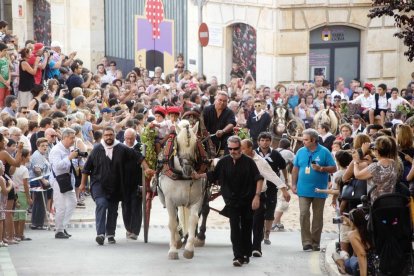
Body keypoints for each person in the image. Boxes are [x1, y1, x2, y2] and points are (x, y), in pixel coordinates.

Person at [192, 136, 264, 267]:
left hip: (247, 201)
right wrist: (199, 175)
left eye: (235, 149)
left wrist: (257, 196)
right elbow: (213, 175)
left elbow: (259, 179)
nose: (232, 151)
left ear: (240, 149)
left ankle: (246, 253)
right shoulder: (224, 162)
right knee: (235, 228)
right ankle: (238, 256)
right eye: (230, 149)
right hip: (231, 201)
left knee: (247, 228)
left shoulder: (249, 162)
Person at [80, 127, 142, 245]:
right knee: (102, 204)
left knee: (113, 210)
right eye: (106, 135)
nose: (109, 137)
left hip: (115, 185)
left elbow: (138, 156)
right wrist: (83, 184)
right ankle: (100, 234)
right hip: (98, 184)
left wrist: (147, 168)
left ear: (114, 136)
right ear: (103, 136)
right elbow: (86, 169)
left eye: (111, 135)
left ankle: (110, 234)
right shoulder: (97, 149)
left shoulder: (121, 148)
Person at [240, 139, 290, 258]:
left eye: (242, 148)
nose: (240, 151)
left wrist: (283, 189)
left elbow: (272, 175)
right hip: (243, 196)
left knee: (257, 222)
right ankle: (246, 247)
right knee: (245, 223)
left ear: (250, 148)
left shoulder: (260, 161)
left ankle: (256, 248)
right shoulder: (238, 159)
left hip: (259, 195)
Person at [291, 128, 337, 251]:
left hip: (319, 190)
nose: (303, 141)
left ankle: (315, 243)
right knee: (304, 214)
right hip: (303, 189)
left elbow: (334, 168)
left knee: (317, 217)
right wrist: (293, 184)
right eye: (303, 139)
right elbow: (295, 169)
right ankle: (306, 242)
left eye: (306, 139)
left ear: (314, 140)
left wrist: (322, 169)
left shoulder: (324, 152)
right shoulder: (300, 151)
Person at [255, 132, 288, 241]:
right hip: (257, 186)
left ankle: (267, 235)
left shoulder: (276, 154)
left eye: (267, 140)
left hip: (272, 186)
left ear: (271, 141)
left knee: (270, 210)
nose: (265, 142)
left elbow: (283, 167)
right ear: (258, 141)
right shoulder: (254, 153)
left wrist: (286, 180)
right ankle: (258, 233)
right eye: (262, 140)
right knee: (257, 210)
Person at [122, 128, 154, 240]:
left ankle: (135, 231)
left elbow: (144, 162)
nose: (129, 141)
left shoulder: (140, 147)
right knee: (126, 206)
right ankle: (128, 229)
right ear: (124, 138)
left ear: (135, 137)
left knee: (136, 206)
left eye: (131, 138)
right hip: (124, 182)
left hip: (138, 182)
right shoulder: (120, 147)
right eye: (127, 138)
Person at [49, 128, 78, 239]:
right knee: (60, 206)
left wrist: (75, 158)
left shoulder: (69, 149)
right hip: (58, 180)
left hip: (67, 180)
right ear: (64, 137)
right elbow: (57, 166)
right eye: (71, 138)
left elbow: (71, 164)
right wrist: (69, 157)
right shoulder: (56, 150)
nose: (73, 140)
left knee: (73, 202)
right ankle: (58, 230)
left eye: (74, 137)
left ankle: (62, 226)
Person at [353, 136, 400, 203]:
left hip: (377, 203)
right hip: (390, 200)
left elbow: (357, 175)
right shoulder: (393, 162)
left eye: (374, 149)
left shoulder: (375, 166)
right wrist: (371, 162)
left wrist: (356, 162)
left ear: (377, 151)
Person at [202, 91, 236, 155]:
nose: (222, 102)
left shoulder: (229, 112)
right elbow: (202, 123)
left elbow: (231, 124)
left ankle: (226, 161)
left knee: (230, 141)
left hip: (223, 138)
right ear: (215, 100)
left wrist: (223, 131)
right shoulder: (207, 110)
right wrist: (205, 132)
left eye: (224, 101)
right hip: (208, 137)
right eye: (220, 100)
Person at [12, 149, 32, 241]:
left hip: (15, 193)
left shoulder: (14, 168)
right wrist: (29, 198)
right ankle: (21, 234)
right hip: (22, 193)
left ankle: (16, 234)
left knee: (16, 214)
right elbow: (25, 185)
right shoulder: (24, 169)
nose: (29, 157)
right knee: (22, 214)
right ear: (23, 157)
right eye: (28, 155)